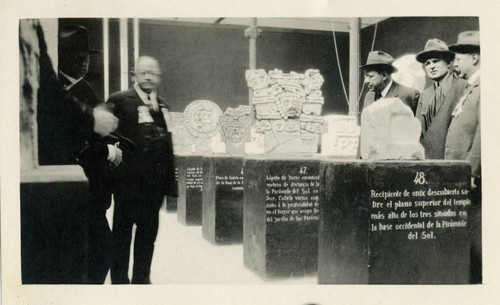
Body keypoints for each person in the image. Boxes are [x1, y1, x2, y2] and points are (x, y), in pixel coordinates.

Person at [57, 25, 122, 284]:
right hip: (80, 186)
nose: (85, 61)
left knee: (99, 250)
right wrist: (107, 151)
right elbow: (69, 140)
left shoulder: (82, 86)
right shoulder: (60, 91)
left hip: (95, 188)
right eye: (78, 55)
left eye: (87, 56)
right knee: (98, 251)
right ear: (64, 57)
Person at [109, 56, 177, 284]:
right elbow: (104, 137)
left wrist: (169, 184)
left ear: (159, 77)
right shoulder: (118, 100)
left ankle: (141, 280)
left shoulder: (164, 105)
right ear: (134, 75)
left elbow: (168, 147)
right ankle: (119, 282)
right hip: (127, 185)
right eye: (143, 72)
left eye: (152, 73)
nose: (148, 77)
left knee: (148, 237)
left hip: (154, 188)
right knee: (122, 235)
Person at [445, 31, 481, 284]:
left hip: (470, 177)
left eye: (458, 59)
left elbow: (485, 133)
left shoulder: (486, 87)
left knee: (476, 234)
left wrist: (470, 171)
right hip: (457, 173)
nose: (454, 64)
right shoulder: (470, 88)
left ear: (475, 58)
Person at [415, 39, 467, 159]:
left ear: (448, 63)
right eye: (427, 63)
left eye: (435, 61)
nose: (431, 66)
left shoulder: (462, 85)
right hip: (427, 158)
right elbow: (418, 128)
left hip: (451, 158)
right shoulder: (425, 94)